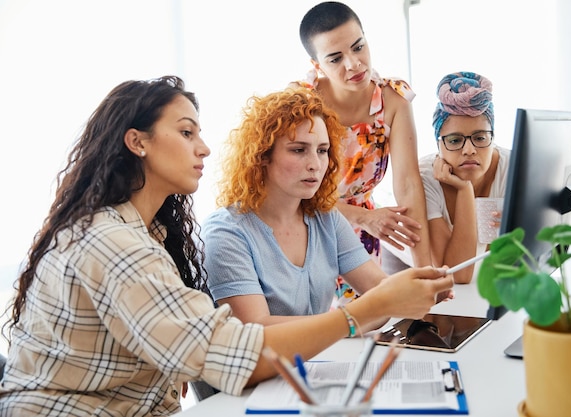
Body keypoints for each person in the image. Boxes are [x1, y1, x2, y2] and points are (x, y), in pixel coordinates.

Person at [0, 75, 454, 416]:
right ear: (137, 142)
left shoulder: (145, 233)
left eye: (322, 151)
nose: (204, 149)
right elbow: (238, 351)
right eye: (185, 133)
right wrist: (355, 316)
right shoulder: (117, 244)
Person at [203, 88, 431, 329]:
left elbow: (382, 293)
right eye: (298, 150)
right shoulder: (225, 232)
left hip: (319, 362)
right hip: (264, 366)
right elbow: (256, 329)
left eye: (322, 150)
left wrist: (415, 288)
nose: (315, 164)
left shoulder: (327, 219)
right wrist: (362, 315)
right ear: (262, 156)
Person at [292, 1, 432, 306]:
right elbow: (293, 193)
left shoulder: (394, 100)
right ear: (318, 66)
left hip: (362, 235)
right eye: (336, 58)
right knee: (312, 328)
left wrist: (425, 271)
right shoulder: (300, 103)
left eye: (358, 47)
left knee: (369, 325)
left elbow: (408, 184)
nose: (354, 64)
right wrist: (365, 218)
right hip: (303, 227)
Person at [420, 71, 510, 284]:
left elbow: (498, 258)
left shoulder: (512, 168)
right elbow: (457, 274)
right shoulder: (425, 178)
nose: (469, 150)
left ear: (493, 138)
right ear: (438, 145)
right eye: (454, 140)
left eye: (480, 137)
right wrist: (465, 190)